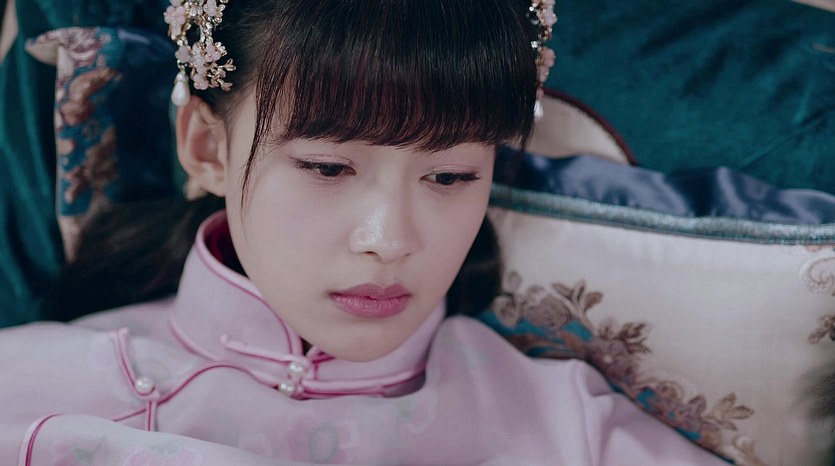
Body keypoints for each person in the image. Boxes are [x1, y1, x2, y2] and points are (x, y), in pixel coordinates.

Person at [0, 0, 728, 464]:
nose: (389, 239)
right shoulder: (29, 389)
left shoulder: (574, 430)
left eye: (450, 177)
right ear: (207, 147)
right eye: (327, 167)